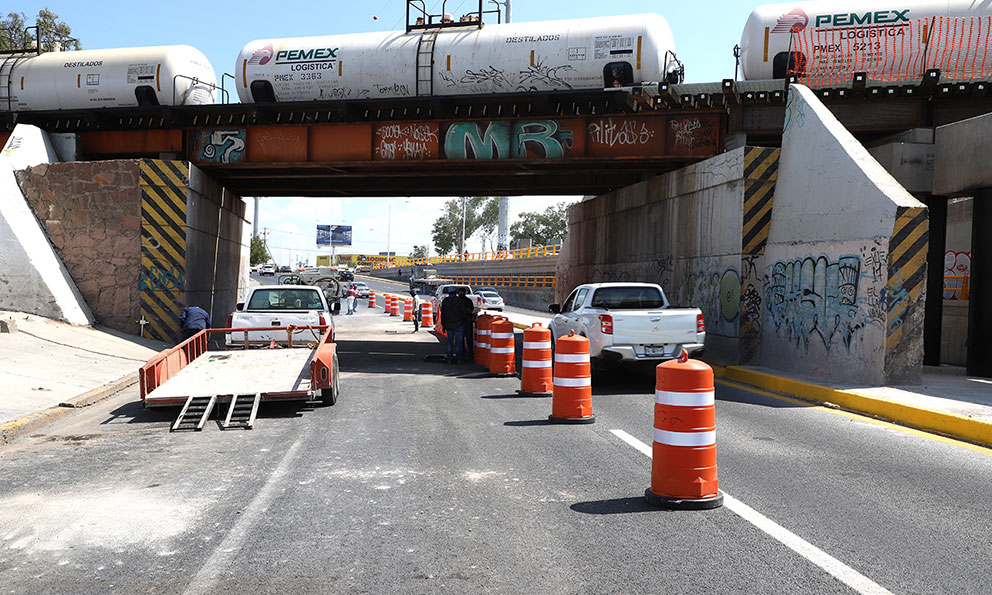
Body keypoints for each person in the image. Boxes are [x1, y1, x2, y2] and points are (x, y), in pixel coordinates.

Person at [440, 287, 473, 363]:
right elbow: (464, 312)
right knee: (459, 343)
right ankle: (459, 359)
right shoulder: (459, 301)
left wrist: (443, 325)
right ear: (455, 292)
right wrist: (466, 319)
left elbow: (443, 314)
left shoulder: (445, 301)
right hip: (459, 324)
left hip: (448, 325)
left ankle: (450, 359)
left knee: (449, 342)